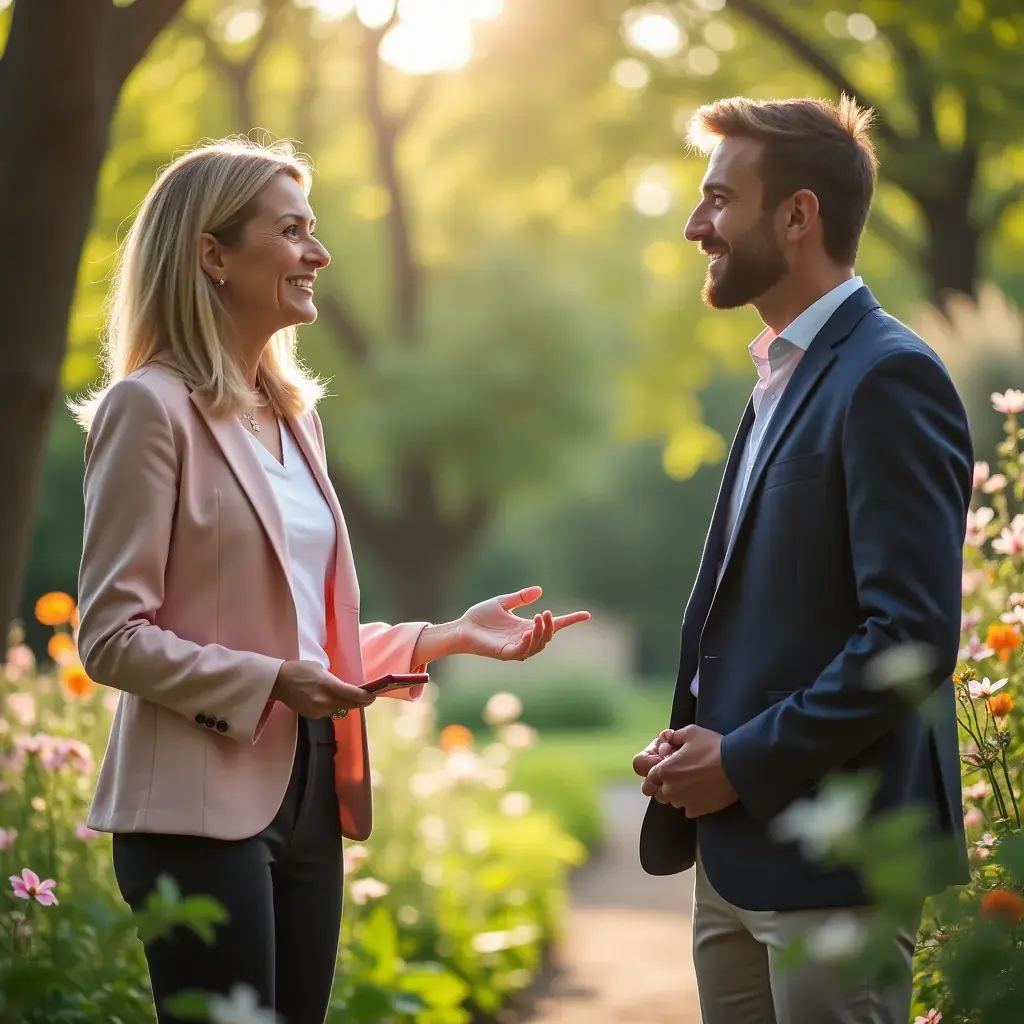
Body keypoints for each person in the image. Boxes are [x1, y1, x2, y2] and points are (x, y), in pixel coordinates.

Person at [72, 138, 590, 1024]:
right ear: (213, 254)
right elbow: (111, 638)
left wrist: (444, 637)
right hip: (193, 811)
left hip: (310, 786)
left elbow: (303, 635)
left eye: (312, 229)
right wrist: (271, 682)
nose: (318, 253)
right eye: (291, 231)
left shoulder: (295, 420)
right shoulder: (147, 408)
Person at [631, 97, 972, 1024]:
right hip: (733, 856)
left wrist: (741, 758)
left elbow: (910, 638)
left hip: (837, 868)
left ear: (797, 216)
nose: (696, 226)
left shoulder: (888, 376)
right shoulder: (777, 378)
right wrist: (697, 741)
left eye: (718, 200)